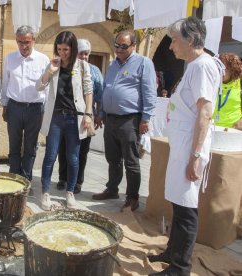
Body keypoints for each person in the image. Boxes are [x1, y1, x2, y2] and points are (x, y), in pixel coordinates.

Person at [147, 17, 222, 276]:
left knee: (186, 209)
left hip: (191, 150)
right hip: (182, 149)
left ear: (190, 40)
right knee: (178, 205)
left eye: (174, 40)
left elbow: (205, 113)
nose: (170, 47)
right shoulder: (193, 65)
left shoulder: (203, 66)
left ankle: (180, 268)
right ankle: (172, 252)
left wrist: (196, 155)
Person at [93, 30, 157, 212]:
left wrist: (146, 118)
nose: (119, 49)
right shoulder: (113, 65)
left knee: (131, 161)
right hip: (111, 119)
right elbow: (107, 89)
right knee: (112, 158)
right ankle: (112, 189)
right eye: (116, 45)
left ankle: (132, 197)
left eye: (123, 46)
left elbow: (149, 92)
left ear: (133, 46)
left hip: (130, 119)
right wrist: (101, 112)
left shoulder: (143, 63)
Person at [36, 31, 93, 210]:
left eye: (66, 49)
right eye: (59, 49)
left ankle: (70, 192)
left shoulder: (83, 66)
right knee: (50, 156)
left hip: (74, 118)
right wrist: (49, 72)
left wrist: (88, 114)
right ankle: (45, 193)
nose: (62, 53)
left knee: (73, 158)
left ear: (73, 48)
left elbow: (88, 90)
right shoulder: (53, 64)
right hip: (55, 117)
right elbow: (39, 86)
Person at [1, 25, 49, 183]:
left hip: (34, 109)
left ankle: (26, 179)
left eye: (27, 42)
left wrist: (45, 112)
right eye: (20, 42)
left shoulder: (43, 60)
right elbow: (6, 83)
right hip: (14, 107)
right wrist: (5, 106)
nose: (23, 46)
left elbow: (47, 88)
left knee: (30, 147)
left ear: (33, 40)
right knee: (14, 145)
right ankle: (13, 177)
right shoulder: (10, 58)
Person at [56, 38, 103, 194]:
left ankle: (77, 182)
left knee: (82, 151)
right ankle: (63, 178)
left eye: (87, 54)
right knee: (64, 148)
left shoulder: (94, 71)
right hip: (68, 115)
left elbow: (100, 94)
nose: (84, 57)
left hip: (86, 116)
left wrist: (98, 115)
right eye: (81, 53)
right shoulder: (66, 67)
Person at [212, 52, 242, 129]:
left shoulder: (239, 83)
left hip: (233, 130)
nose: (219, 71)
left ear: (232, 70)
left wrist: (239, 123)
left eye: (224, 68)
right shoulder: (211, 81)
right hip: (211, 128)